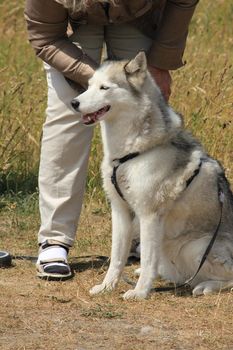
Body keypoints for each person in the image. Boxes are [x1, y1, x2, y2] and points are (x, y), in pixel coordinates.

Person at [24, 0, 199, 280]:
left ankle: (140, 238)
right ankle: (54, 239)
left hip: (138, 15)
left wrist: (160, 63)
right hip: (72, 22)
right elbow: (45, 38)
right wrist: (103, 84)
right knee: (67, 115)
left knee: (145, 114)